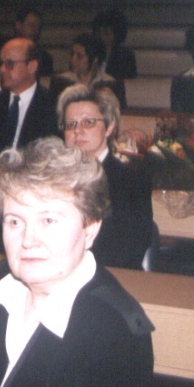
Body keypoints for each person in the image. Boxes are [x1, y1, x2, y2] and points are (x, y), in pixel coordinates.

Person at [0, 137, 157, 387]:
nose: (28, 239)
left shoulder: (115, 332)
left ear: (90, 229)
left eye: (48, 221)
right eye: (15, 221)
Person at [58, 84, 152, 269]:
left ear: (109, 128)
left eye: (88, 122)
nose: (78, 131)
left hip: (108, 274)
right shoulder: (54, 178)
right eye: (71, 124)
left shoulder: (132, 181)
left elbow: (130, 249)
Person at [0, 38, 58, 162]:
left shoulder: (51, 106)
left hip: (28, 171)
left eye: (9, 64)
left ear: (32, 66)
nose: (2, 70)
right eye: (1, 63)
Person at [48, 33, 126, 109]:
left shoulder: (112, 84)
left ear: (95, 59)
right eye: (72, 54)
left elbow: (119, 113)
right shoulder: (60, 82)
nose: (73, 60)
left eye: (79, 56)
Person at [92, 9, 137, 82]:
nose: (102, 36)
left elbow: (128, 80)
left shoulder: (125, 54)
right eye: (100, 32)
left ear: (116, 33)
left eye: (106, 33)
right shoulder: (96, 50)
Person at [14, 6, 54, 80]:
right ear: (18, 25)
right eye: (31, 25)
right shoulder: (5, 53)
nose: (35, 30)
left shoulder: (45, 58)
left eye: (38, 27)